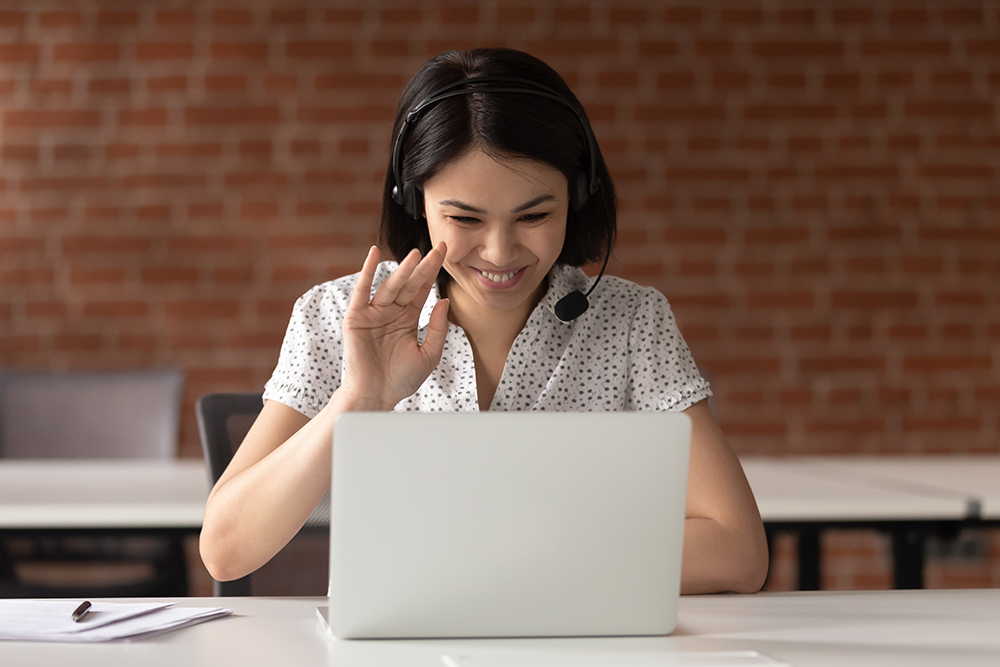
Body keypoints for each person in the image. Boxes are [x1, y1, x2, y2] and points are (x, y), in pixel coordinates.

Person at [200, 47, 768, 595]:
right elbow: (226, 549)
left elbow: (739, 552)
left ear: (580, 197)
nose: (499, 252)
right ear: (413, 200)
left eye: (535, 215)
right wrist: (358, 399)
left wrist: (508, 565)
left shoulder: (630, 322)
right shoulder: (335, 318)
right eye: (464, 217)